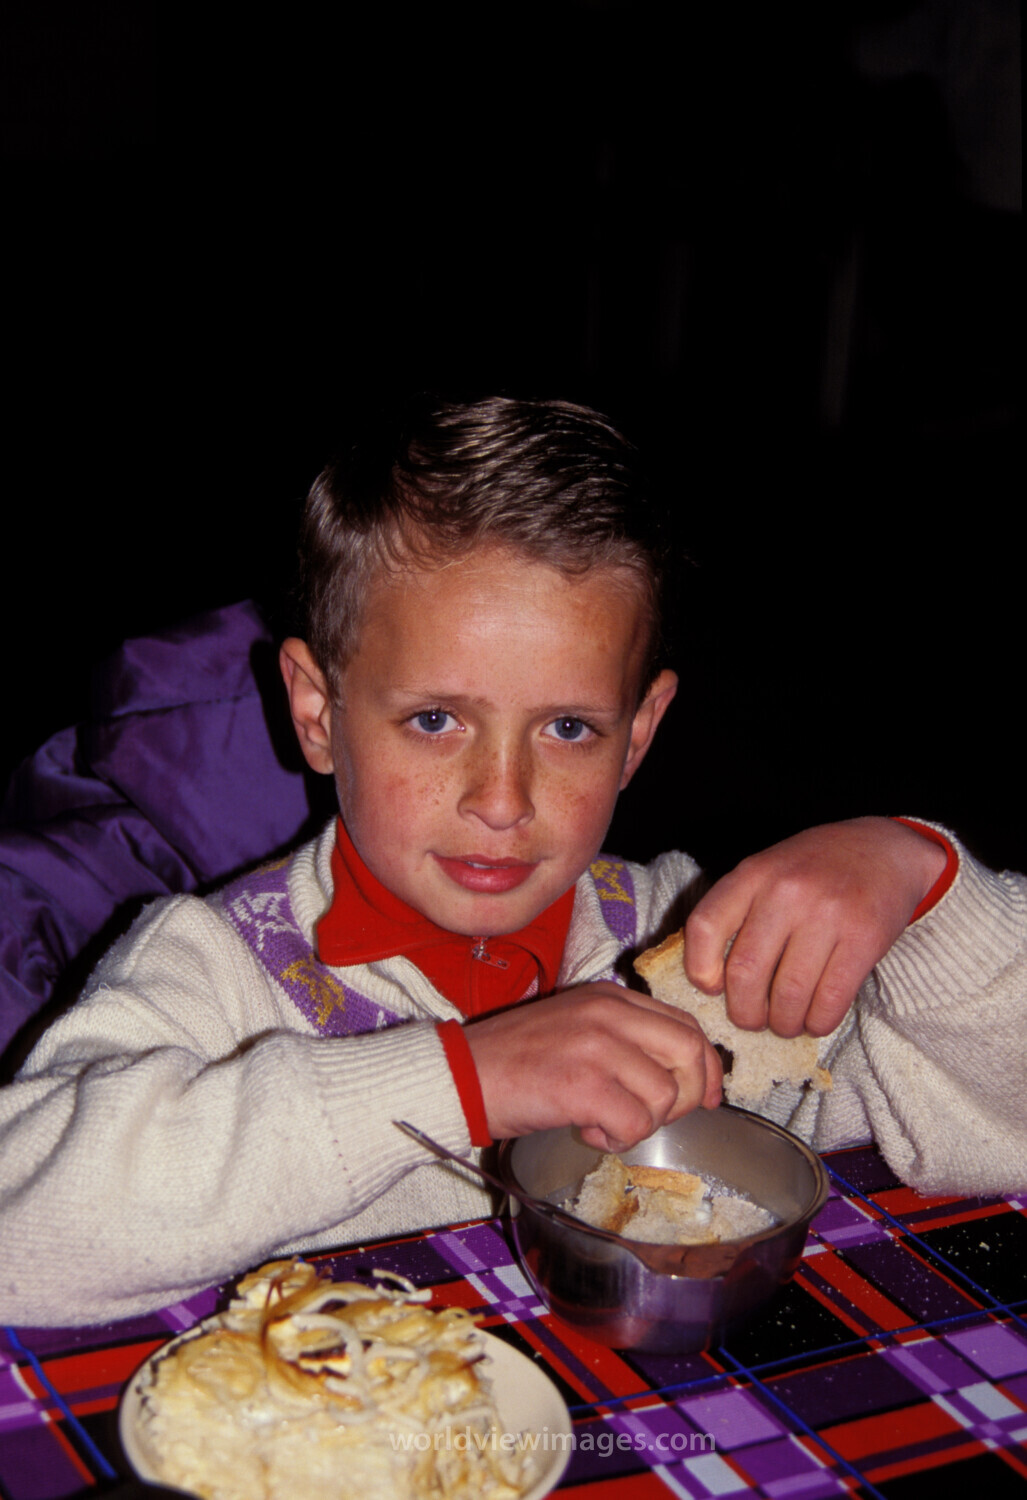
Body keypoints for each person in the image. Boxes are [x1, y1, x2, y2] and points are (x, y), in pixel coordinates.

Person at [1, 397, 1023, 1328]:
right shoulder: (212, 969)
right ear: (318, 713)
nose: (502, 799)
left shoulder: (700, 951)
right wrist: (463, 1079)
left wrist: (923, 881)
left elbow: (997, 1119)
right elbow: (23, 1232)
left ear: (640, 732)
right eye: (436, 719)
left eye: (569, 728)